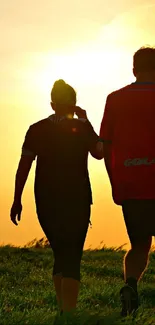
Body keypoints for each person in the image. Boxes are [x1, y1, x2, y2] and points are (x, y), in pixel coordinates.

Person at [10, 79, 104, 317]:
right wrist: (87, 122)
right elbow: (99, 153)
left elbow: (24, 166)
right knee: (72, 253)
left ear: (52, 104)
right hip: (78, 197)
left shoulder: (36, 129)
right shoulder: (82, 128)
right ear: (74, 104)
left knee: (61, 252)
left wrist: (16, 199)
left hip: (45, 198)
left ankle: (64, 310)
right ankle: (68, 313)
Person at [99, 47, 155, 317]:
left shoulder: (115, 99)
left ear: (134, 69)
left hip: (131, 184)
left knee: (139, 245)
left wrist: (115, 182)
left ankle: (131, 284)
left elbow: (106, 145)